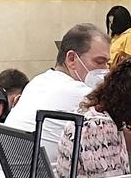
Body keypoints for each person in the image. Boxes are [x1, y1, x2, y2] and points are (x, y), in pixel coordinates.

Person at [6, 24, 111, 153]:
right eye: (99, 62)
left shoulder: (37, 82)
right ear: (71, 59)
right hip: (44, 173)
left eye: (108, 63)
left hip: (5, 172)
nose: (106, 70)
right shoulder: (81, 94)